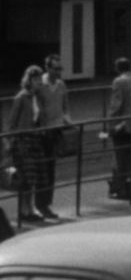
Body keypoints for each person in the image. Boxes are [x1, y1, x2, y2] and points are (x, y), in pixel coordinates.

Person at [9, 66, 49, 223]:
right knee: (26, 177)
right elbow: (12, 122)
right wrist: (12, 141)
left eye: (40, 79)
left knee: (34, 177)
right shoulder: (21, 97)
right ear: (29, 80)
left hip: (35, 138)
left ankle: (30, 209)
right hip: (23, 140)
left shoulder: (37, 97)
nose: (39, 82)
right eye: (35, 79)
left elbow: (39, 117)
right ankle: (23, 211)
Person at [33, 54, 69, 219]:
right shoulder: (40, 85)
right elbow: (35, 108)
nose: (59, 71)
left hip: (56, 131)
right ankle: (40, 204)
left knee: (51, 169)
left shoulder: (61, 85)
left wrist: (67, 121)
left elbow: (65, 107)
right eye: (56, 68)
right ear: (48, 68)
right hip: (43, 132)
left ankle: (46, 203)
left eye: (60, 68)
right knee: (43, 170)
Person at [105, 58, 131, 198]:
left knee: (120, 158)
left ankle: (120, 189)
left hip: (122, 125)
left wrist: (110, 125)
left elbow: (116, 105)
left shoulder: (118, 81)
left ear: (117, 68)